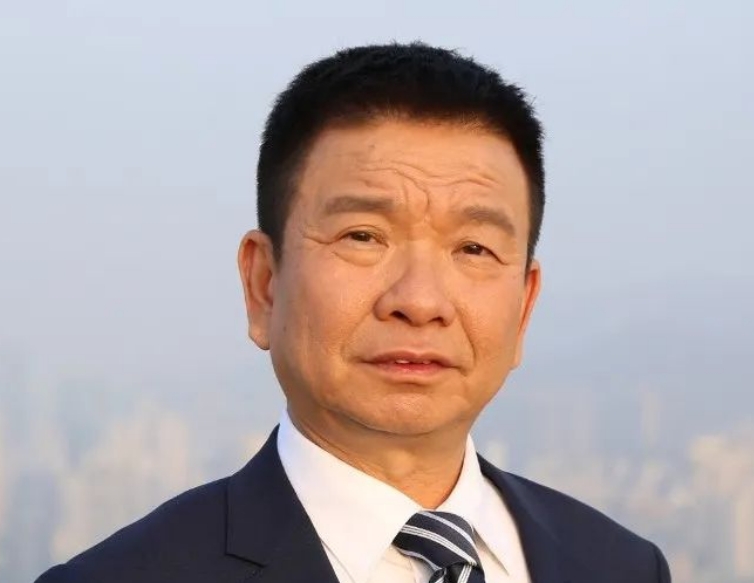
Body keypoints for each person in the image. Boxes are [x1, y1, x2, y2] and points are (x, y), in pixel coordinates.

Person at [36, 42, 671, 583]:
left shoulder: (619, 565)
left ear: (525, 305)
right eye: (363, 236)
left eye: (474, 248)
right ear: (263, 284)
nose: (419, 302)